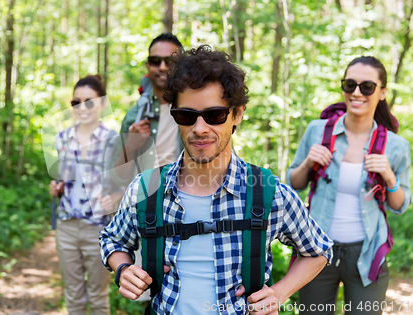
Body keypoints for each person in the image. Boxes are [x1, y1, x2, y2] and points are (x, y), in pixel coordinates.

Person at [100, 45, 333, 315]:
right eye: (187, 116)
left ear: (237, 114)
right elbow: (112, 239)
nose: (200, 128)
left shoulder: (268, 193)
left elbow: (319, 250)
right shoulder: (146, 188)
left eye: (214, 115)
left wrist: (279, 293)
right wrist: (124, 269)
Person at [287, 56, 411, 315]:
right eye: (350, 84)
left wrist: (389, 177)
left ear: (382, 92)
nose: (356, 92)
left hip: (366, 254)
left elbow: (400, 206)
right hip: (317, 252)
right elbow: (294, 184)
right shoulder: (317, 131)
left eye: (367, 86)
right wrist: (308, 162)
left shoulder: (396, 146)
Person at [48, 74, 122, 315]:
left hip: (99, 228)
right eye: (76, 102)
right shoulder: (62, 139)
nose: (82, 108)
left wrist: (116, 198)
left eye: (89, 101)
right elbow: (64, 180)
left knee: (98, 298)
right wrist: (56, 189)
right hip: (67, 226)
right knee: (73, 296)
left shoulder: (113, 140)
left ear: (102, 103)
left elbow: (128, 185)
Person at [111, 33, 184, 186]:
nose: (163, 67)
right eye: (155, 61)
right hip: (145, 204)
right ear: (147, 65)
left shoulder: (197, 112)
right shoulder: (134, 116)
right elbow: (117, 178)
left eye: (170, 61)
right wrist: (130, 146)